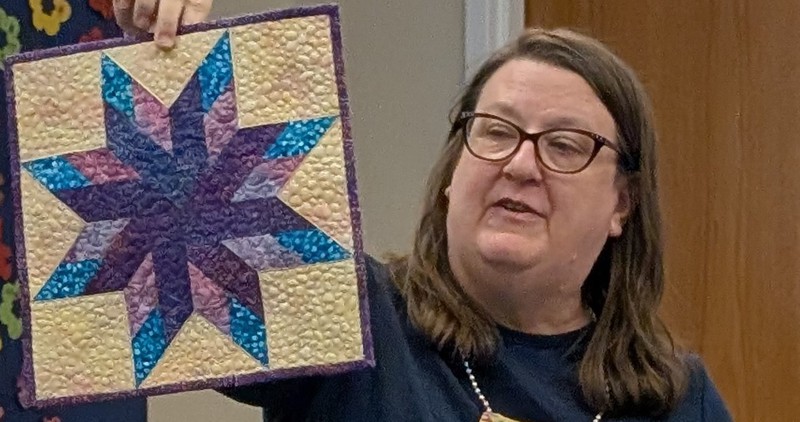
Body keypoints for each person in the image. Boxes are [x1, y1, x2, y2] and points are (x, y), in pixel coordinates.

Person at [113, 1, 734, 420]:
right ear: (452, 174)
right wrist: (158, 63)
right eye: (496, 131)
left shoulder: (679, 399)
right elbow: (158, 249)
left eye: (565, 145)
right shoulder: (348, 308)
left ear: (622, 204)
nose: (521, 164)